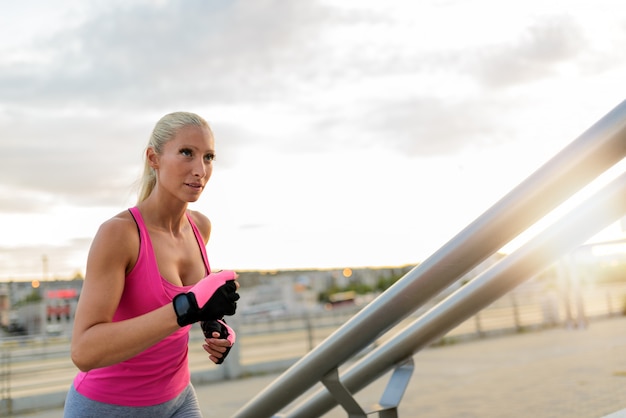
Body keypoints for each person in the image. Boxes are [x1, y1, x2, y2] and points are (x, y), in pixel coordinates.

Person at [64, 112, 240, 418]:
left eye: (208, 157)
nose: (200, 169)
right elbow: (84, 351)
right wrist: (184, 309)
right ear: (153, 158)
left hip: (178, 399)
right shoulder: (120, 234)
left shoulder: (200, 227)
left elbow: (189, 309)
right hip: (107, 407)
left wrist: (215, 326)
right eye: (187, 153)